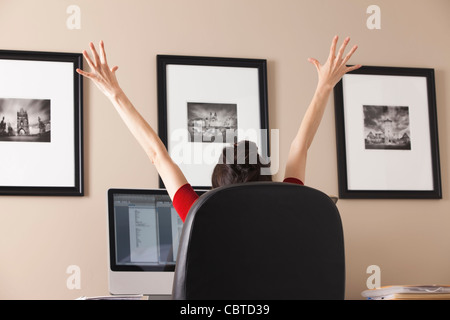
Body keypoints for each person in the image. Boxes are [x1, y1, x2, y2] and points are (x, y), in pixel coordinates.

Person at [76, 36, 361, 222]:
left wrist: (114, 94)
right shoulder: (288, 207)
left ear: (216, 186)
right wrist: (324, 86)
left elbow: (156, 154)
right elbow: (302, 144)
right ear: (266, 178)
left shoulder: (198, 213)